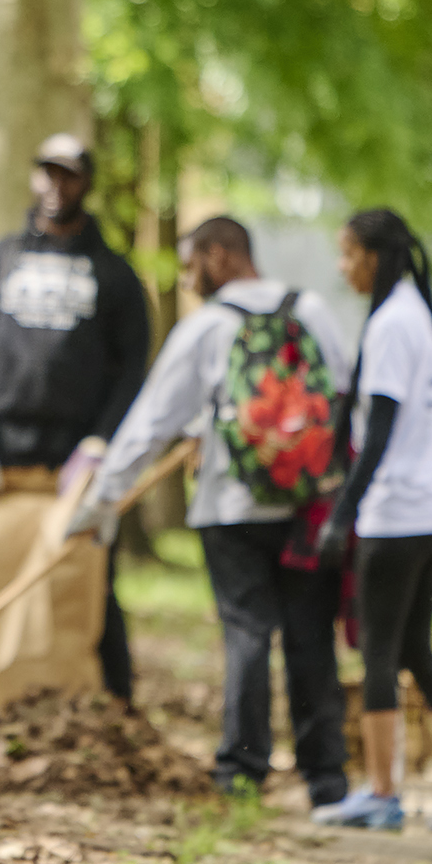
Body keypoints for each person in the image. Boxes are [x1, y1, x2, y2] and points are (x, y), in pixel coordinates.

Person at [67, 215, 354, 812]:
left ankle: (242, 774)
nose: (188, 275)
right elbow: (345, 396)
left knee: (247, 634)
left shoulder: (208, 328)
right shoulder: (313, 311)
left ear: (221, 256)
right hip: (308, 505)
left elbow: (151, 422)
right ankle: (326, 780)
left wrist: (102, 500)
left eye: (191, 260)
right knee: (309, 637)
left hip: (231, 506)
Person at [311, 208, 432, 833]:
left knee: (378, 648)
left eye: (348, 255)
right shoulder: (413, 312)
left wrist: (342, 514)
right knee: (415, 647)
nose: (342, 268)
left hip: (401, 512)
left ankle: (381, 792)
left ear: (374, 255)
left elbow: (382, 432)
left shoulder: (394, 322)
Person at [0, 132, 154, 699]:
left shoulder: (114, 274)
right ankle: (1, 695)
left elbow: (133, 367)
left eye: (69, 174)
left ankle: (113, 702)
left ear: (86, 184)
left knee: (87, 577)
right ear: (35, 178)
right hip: (7, 451)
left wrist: (101, 444)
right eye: (48, 172)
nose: (57, 186)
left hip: (77, 457)